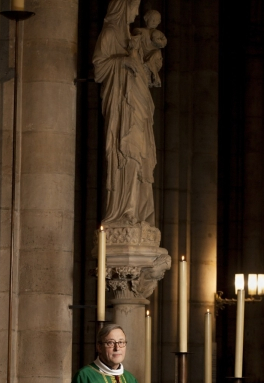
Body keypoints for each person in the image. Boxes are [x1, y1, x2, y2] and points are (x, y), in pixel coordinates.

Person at [93, 0, 157, 226]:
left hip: (138, 109)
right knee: (125, 155)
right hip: (121, 110)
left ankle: (140, 213)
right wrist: (124, 62)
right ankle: (123, 212)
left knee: (141, 158)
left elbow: (143, 72)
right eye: (134, 6)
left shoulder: (133, 40)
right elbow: (99, 69)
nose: (137, 12)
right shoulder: (109, 34)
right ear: (123, 6)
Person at [133, 10, 167, 88]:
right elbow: (135, 32)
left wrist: (157, 41)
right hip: (143, 56)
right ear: (145, 19)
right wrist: (138, 33)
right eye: (152, 19)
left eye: (157, 20)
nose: (154, 22)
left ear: (160, 21)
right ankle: (149, 75)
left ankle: (152, 74)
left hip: (155, 58)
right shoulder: (142, 31)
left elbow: (164, 42)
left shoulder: (158, 33)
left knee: (157, 52)